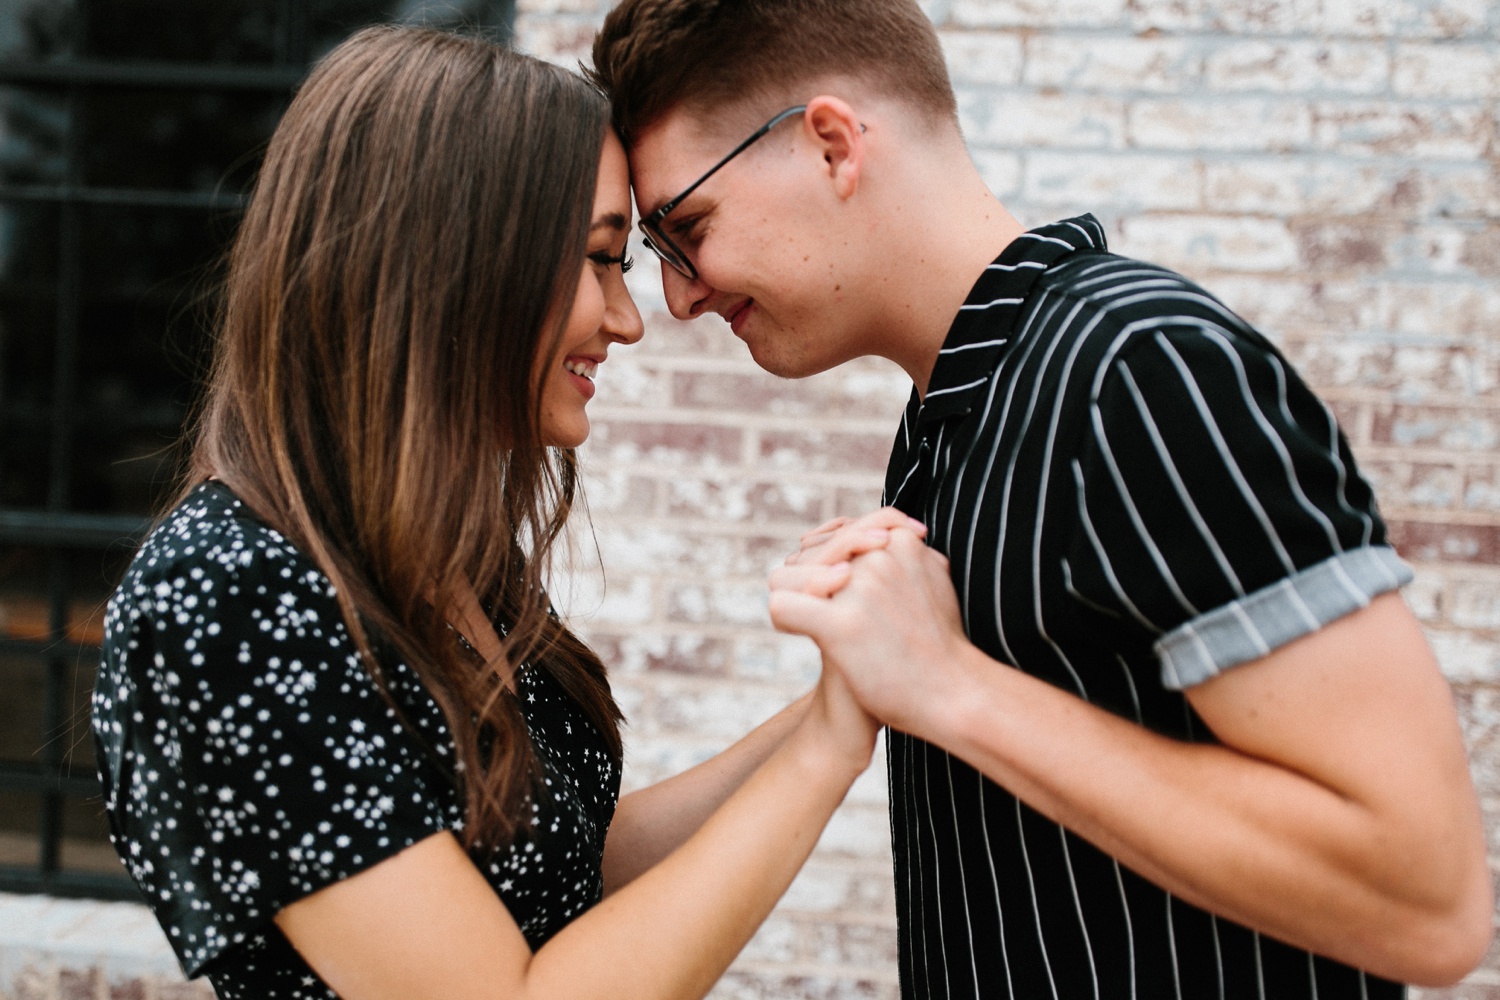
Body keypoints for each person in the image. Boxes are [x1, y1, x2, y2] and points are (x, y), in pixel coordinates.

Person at [587, 1, 1494, 997]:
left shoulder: (1138, 370)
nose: (679, 298)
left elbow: (1428, 902)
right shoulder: (953, 411)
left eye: (686, 230)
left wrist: (950, 687)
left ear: (832, 145)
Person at [91, 25, 878, 1000]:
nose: (629, 319)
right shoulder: (227, 599)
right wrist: (827, 752)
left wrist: (841, 703)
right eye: (599, 259)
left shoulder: (433, 564)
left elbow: (566, 876)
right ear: (450, 268)